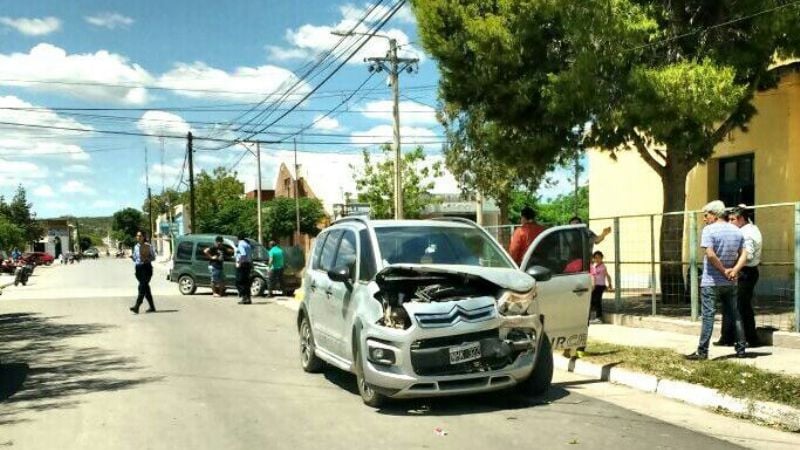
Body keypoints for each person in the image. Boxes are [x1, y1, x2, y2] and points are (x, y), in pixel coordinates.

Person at [686, 200, 748, 360]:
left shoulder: (709, 230)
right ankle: (741, 349)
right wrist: (734, 270)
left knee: (708, 316)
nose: (704, 218)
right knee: (735, 314)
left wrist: (722, 270)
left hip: (711, 281)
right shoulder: (736, 230)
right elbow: (744, 254)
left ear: (714, 214)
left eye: (706, 215)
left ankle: (702, 351)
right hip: (731, 281)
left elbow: (710, 254)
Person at [718, 206, 763, 347]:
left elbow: (747, 255)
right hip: (745, 272)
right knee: (739, 305)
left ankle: (747, 338)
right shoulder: (750, 229)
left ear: (742, 219)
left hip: (744, 272)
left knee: (739, 306)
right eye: (729, 219)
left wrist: (733, 264)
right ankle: (732, 337)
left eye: (733, 219)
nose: (730, 222)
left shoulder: (746, 233)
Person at [129, 231, 157, 314]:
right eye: (137, 236)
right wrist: (132, 257)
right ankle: (152, 307)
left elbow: (153, 257)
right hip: (138, 268)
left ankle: (137, 306)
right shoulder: (136, 247)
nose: (138, 237)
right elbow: (135, 258)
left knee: (142, 287)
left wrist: (147, 259)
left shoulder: (148, 246)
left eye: (140, 236)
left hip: (146, 268)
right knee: (145, 288)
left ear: (143, 237)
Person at [589, 251, 613, 323]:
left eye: (599, 258)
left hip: (600, 286)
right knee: (592, 301)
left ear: (602, 258)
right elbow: (592, 277)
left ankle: (599, 318)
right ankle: (593, 316)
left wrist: (609, 284)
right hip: (594, 286)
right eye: (595, 258)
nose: (597, 259)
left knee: (597, 301)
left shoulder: (603, 267)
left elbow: (607, 275)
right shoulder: (593, 266)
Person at [235, 234, 253, 305]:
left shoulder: (241, 244)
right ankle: (248, 298)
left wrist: (239, 263)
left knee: (239, 281)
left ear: (238, 238)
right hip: (248, 264)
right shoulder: (247, 245)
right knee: (246, 282)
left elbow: (243, 254)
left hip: (242, 264)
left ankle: (244, 297)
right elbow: (250, 255)